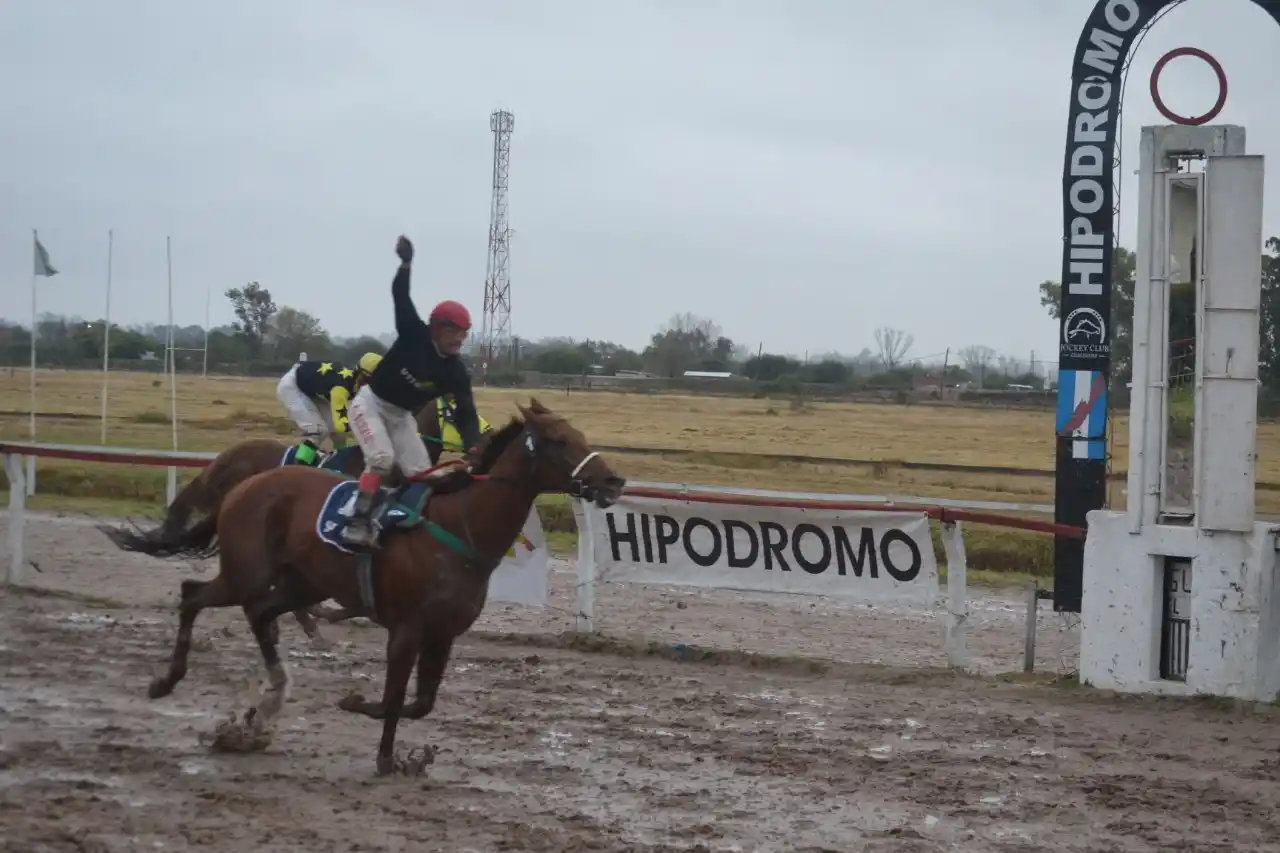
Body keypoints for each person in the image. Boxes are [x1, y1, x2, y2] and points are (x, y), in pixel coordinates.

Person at [342, 235, 484, 547]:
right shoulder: (413, 334)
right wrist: (405, 264)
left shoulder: (456, 371)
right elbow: (400, 296)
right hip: (370, 405)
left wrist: (473, 448)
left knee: (424, 473)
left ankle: (402, 524)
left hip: (401, 416)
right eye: (453, 332)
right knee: (381, 458)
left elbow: (466, 414)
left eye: (463, 334)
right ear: (435, 328)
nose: (459, 340)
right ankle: (356, 521)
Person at [276, 351, 383, 466]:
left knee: (336, 434)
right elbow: (341, 425)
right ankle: (299, 465)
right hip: (292, 386)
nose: (369, 385)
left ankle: (340, 463)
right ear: (360, 374)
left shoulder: (355, 382)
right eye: (367, 380)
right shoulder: (341, 388)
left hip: (309, 388)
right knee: (317, 430)